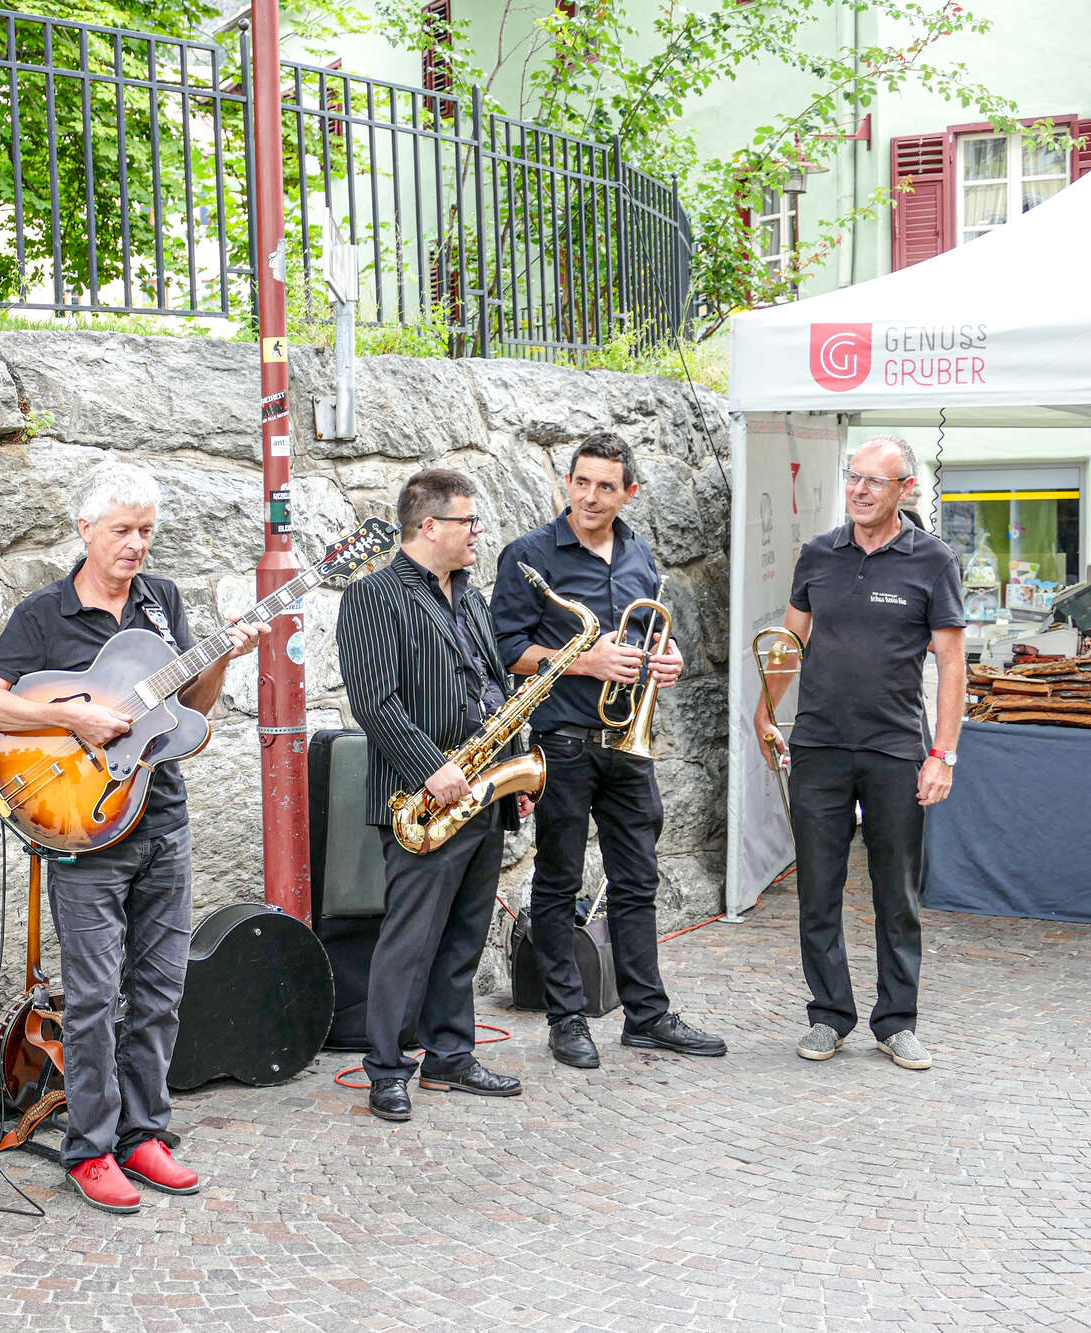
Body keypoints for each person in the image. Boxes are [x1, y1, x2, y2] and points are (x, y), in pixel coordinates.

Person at [0, 461, 265, 1213]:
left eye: (146, 531)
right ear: (86, 529)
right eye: (122, 530)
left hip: (161, 816)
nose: (136, 544)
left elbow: (190, 712)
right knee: (94, 997)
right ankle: (90, 1148)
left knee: (161, 986)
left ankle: (144, 1133)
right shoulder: (44, 614)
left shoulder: (162, 603)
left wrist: (222, 657)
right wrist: (71, 715)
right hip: (83, 828)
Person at [490, 434, 727, 1070]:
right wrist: (584, 661)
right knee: (558, 881)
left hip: (629, 745)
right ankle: (566, 1018)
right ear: (568, 482)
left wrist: (667, 659)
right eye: (581, 482)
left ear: (629, 493)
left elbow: (648, 636)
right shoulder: (529, 556)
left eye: (605, 486)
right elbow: (505, 649)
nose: (590, 497)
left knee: (637, 882)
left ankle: (646, 1016)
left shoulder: (639, 554)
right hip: (563, 742)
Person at [758, 435, 965, 1072]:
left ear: (905, 488)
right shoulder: (819, 554)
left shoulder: (933, 560)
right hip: (818, 745)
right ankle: (829, 1015)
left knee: (896, 893)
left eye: (876, 480)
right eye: (854, 476)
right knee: (816, 889)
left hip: (896, 749)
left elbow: (952, 664)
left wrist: (943, 754)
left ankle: (896, 1022)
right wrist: (765, 710)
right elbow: (789, 641)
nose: (860, 489)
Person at [335, 467, 529, 1124]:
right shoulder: (373, 595)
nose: (478, 532)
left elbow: (496, 690)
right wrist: (430, 768)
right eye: (468, 521)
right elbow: (374, 701)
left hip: (482, 791)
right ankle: (387, 1069)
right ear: (428, 526)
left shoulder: (472, 598)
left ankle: (450, 1056)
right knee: (410, 939)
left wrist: (513, 769)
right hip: (422, 800)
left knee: (465, 935)